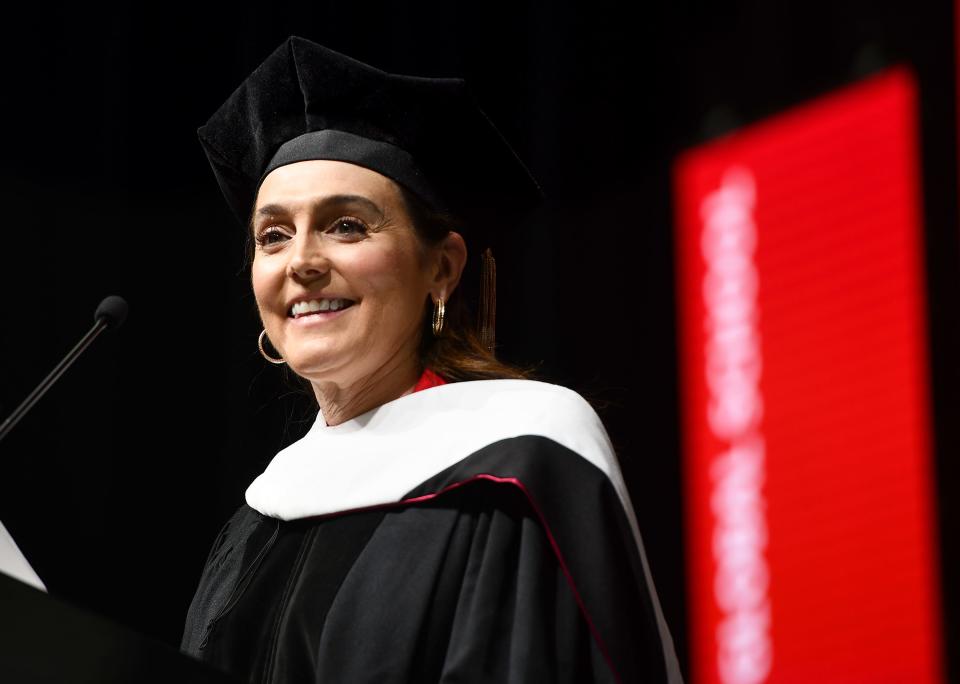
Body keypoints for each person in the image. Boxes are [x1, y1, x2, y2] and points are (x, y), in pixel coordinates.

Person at [180, 36, 683, 683]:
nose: (301, 262)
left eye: (346, 226)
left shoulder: (516, 464)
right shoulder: (256, 524)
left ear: (440, 267)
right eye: (273, 236)